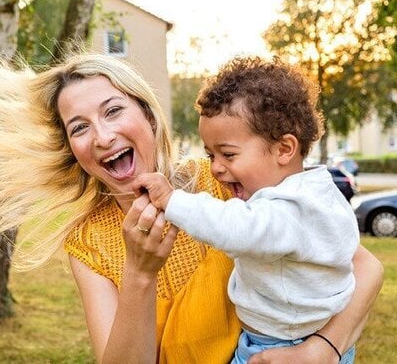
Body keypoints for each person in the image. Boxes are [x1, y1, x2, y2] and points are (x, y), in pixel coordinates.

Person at [0, 48, 383, 363]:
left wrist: (321, 349)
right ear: (72, 147)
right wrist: (139, 273)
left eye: (113, 110)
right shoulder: (90, 244)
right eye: (79, 127)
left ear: (148, 114)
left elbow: (360, 265)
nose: (101, 136)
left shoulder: (222, 183)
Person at [135, 56, 359, 363]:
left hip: (281, 345)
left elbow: (234, 227)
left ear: (284, 149)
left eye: (228, 154)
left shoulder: (290, 211)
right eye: (210, 154)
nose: (215, 168)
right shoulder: (319, 192)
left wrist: (172, 200)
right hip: (307, 335)